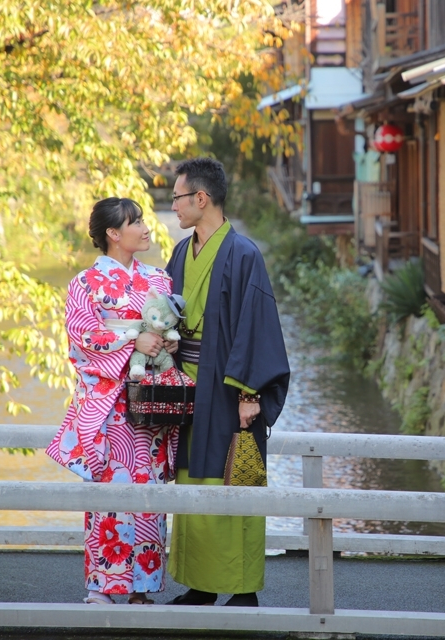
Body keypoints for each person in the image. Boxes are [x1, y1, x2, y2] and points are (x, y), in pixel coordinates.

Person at [165, 157, 290, 607]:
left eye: (177, 197)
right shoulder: (181, 252)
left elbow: (256, 326)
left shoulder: (244, 254)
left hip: (229, 389)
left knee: (231, 479)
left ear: (201, 198)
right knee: (192, 479)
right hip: (187, 387)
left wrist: (250, 394)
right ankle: (200, 584)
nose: (172, 205)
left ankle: (241, 589)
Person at [46, 197, 180, 605]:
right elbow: (81, 340)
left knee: (148, 494)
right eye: (135, 221)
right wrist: (131, 339)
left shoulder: (159, 280)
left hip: (150, 401)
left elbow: (176, 330)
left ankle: (142, 588)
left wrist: (163, 346)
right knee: (109, 494)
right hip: (111, 408)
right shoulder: (85, 283)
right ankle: (102, 586)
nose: (145, 227)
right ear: (113, 234)